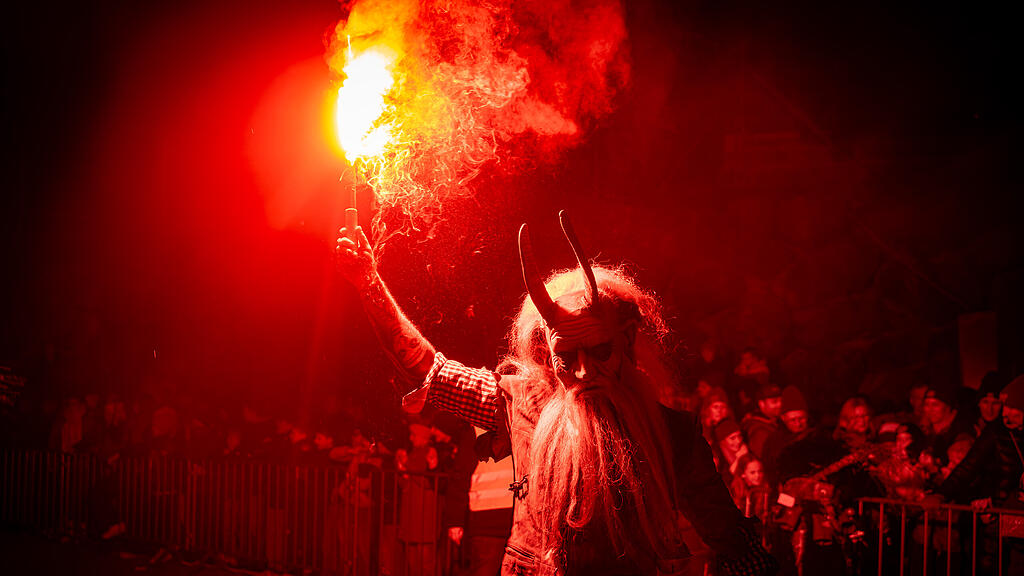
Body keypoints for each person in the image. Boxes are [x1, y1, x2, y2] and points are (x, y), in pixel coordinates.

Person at [335, 212, 776, 575]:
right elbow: (430, 369)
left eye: (600, 350)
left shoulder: (672, 434)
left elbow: (728, 536)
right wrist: (368, 281)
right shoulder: (520, 404)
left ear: (625, 340)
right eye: (567, 356)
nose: (584, 372)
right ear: (547, 353)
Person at [741, 383, 782, 459]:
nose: (780, 405)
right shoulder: (758, 431)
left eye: (781, 401)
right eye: (774, 402)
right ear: (761, 404)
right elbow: (763, 459)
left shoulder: (776, 422)